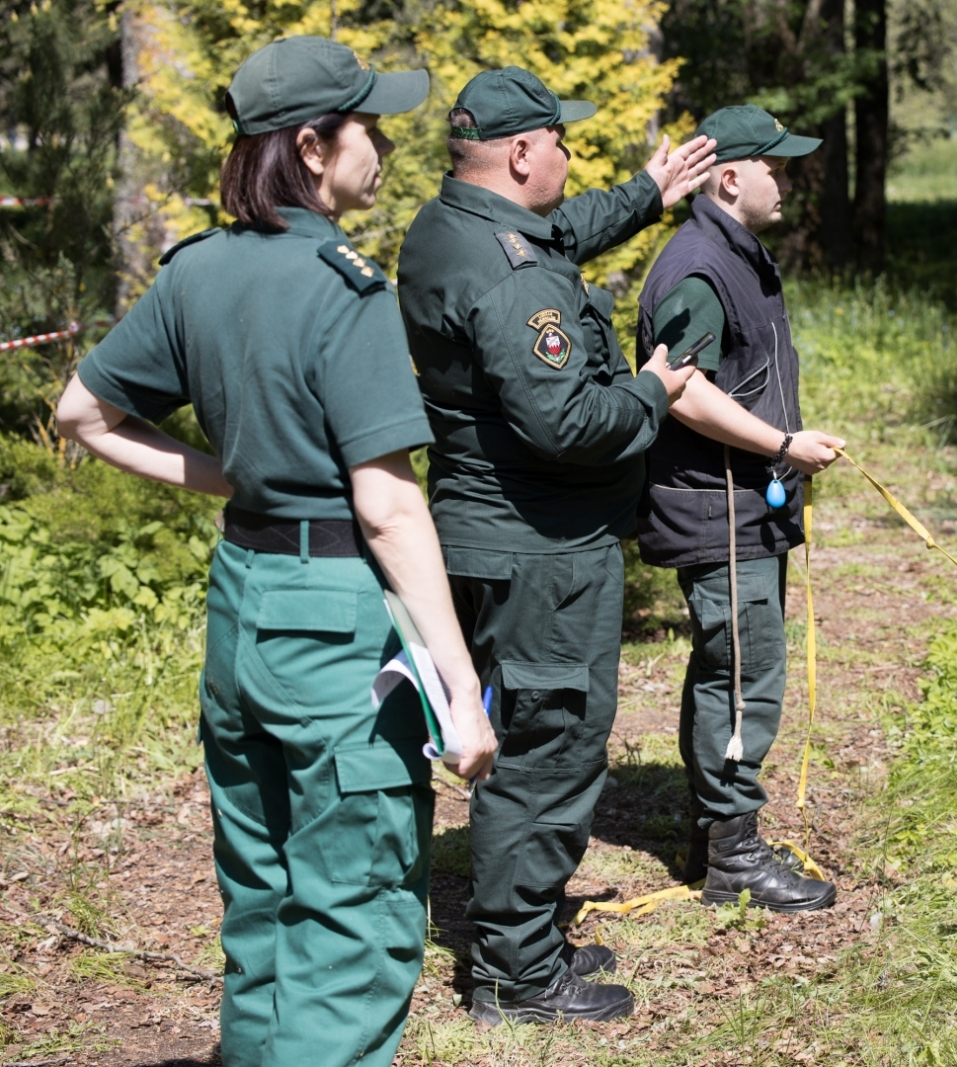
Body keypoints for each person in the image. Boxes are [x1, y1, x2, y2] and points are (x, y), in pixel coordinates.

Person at [53, 36, 497, 1067]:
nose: (382, 146)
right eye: (368, 127)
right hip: (336, 614)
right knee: (355, 916)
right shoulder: (343, 287)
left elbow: (82, 412)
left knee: (261, 894)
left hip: (242, 603)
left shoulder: (197, 270)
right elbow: (389, 509)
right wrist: (461, 689)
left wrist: (229, 479)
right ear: (310, 145)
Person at [395, 67, 711, 1025]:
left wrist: (648, 194)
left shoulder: (447, 228)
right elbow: (568, 422)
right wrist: (656, 386)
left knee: (533, 738)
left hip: (488, 538)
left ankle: (519, 939)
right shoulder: (512, 274)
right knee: (551, 751)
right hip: (543, 553)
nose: (571, 158)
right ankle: (518, 973)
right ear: (522, 153)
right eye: (562, 143)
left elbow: (559, 231)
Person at [635, 105, 846, 912]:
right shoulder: (696, 266)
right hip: (716, 513)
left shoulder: (735, 255)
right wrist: (782, 445)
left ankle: (713, 829)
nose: (787, 181)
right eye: (776, 168)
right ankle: (734, 858)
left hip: (745, 508)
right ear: (730, 178)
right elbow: (681, 392)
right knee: (743, 672)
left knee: (734, 666)